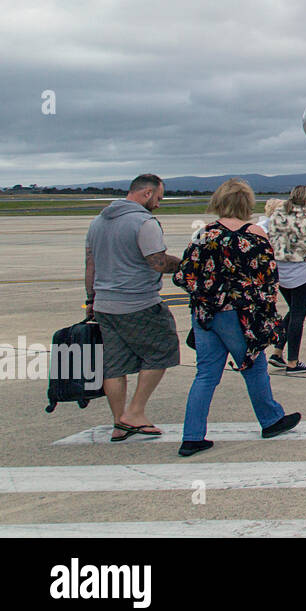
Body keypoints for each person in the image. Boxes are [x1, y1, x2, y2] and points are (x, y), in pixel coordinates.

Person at [173, 179, 300, 457]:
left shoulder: (204, 234)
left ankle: (192, 436)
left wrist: (207, 293)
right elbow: (268, 278)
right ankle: (271, 419)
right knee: (253, 366)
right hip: (240, 314)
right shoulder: (254, 234)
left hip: (206, 313)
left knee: (205, 374)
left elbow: (183, 275)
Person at [84, 174, 182, 442]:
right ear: (147, 193)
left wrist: (91, 300)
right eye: (159, 198)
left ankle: (119, 424)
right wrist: (185, 263)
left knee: (115, 365)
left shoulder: (98, 221)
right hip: (138, 303)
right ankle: (135, 413)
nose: (159, 205)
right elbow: (158, 262)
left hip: (104, 305)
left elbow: (90, 265)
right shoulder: (143, 222)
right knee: (163, 350)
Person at [265, 185, 306, 374]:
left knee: (293, 311)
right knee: (298, 317)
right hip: (303, 272)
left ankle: (277, 352)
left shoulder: (277, 216)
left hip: (280, 271)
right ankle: (293, 362)